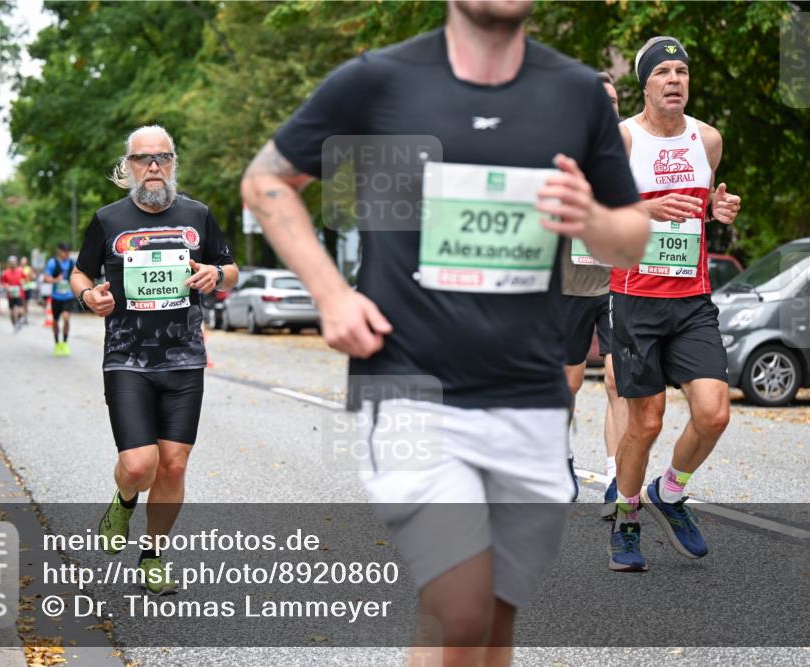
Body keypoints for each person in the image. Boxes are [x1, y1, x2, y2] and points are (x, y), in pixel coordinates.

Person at [241, 2, 649, 664]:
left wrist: (592, 220)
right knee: (462, 607)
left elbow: (632, 238)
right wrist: (331, 293)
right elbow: (266, 181)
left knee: (490, 623)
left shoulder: (575, 92)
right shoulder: (380, 80)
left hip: (530, 397)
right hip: (411, 391)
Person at [70, 125, 238, 595]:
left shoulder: (198, 215)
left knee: (175, 466)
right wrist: (89, 297)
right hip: (126, 357)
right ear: (127, 167)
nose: (153, 167)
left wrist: (215, 273)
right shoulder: (107, 220)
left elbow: (231, 268)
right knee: (141, 465)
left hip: (184, 358)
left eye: (162, 157)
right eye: (143, 159)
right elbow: (80, 272)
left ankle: (153, 554)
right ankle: (124, 501)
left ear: (173, 162)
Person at [607, 36, 742, 572]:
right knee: (645, 422)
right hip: (636, 299)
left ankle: (668, 491)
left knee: (714, 413)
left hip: (691, 299)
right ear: (645, 83)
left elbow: (705, 206)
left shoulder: (707, 140)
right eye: (663, 71)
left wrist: (721, 207)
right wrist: (648, 207)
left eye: (681, 71)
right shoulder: (621, 140)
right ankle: (625, 520)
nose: (674, 80)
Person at [562, 70, 630, 517]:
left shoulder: (633, 151)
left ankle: (615, 477)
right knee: (566, 383)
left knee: (616, 380)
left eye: (613, 100)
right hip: (566, 287)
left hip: (617, 284)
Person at [44, 243, 76, 356]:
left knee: (66, 318)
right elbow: (46, 278)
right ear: (59, 251)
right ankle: (57, 343)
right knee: (56, 321)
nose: (66, 254)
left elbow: (78, 275)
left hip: (68, 296)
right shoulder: (53, 262)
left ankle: (65, 342)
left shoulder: (72, 262)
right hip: (56, 297)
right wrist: (55, 280)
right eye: (64, 251)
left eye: (68, 252)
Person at [0, 256, 27, 331]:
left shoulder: (20, 271)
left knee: (20, 310)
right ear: (9, 263)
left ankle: (20, 319)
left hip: (19, 293)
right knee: (11, 313)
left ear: (16, 262)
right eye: (11, 262)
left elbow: (25, 279)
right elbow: (2, 283)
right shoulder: (5, 272)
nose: (12, 263)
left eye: (14, 262)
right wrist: (6, 286)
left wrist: (23, 282)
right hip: (10, 294)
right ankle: (15, 325)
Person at [20, 256, 36, 321]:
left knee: (26, 303)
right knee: (21, 302)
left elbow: (33, 277)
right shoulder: (18, 269)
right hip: (20, 288)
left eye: (24, 261)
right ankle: (21, 315)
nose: (23, 263)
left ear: (26, 262)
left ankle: (25, 316)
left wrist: (31, 275)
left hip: (27, 288)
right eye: (22, 261)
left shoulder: (29, 268)